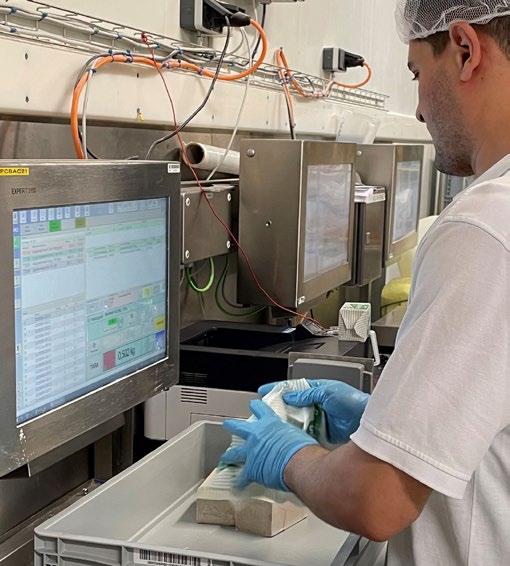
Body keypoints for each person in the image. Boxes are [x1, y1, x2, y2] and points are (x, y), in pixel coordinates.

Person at [221, 2, 510, 564]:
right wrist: (386, 420)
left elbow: (376, 501)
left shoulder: (484, 229)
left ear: (465, 51)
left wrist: (287, 456)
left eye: (417, 74)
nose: (419, 109)